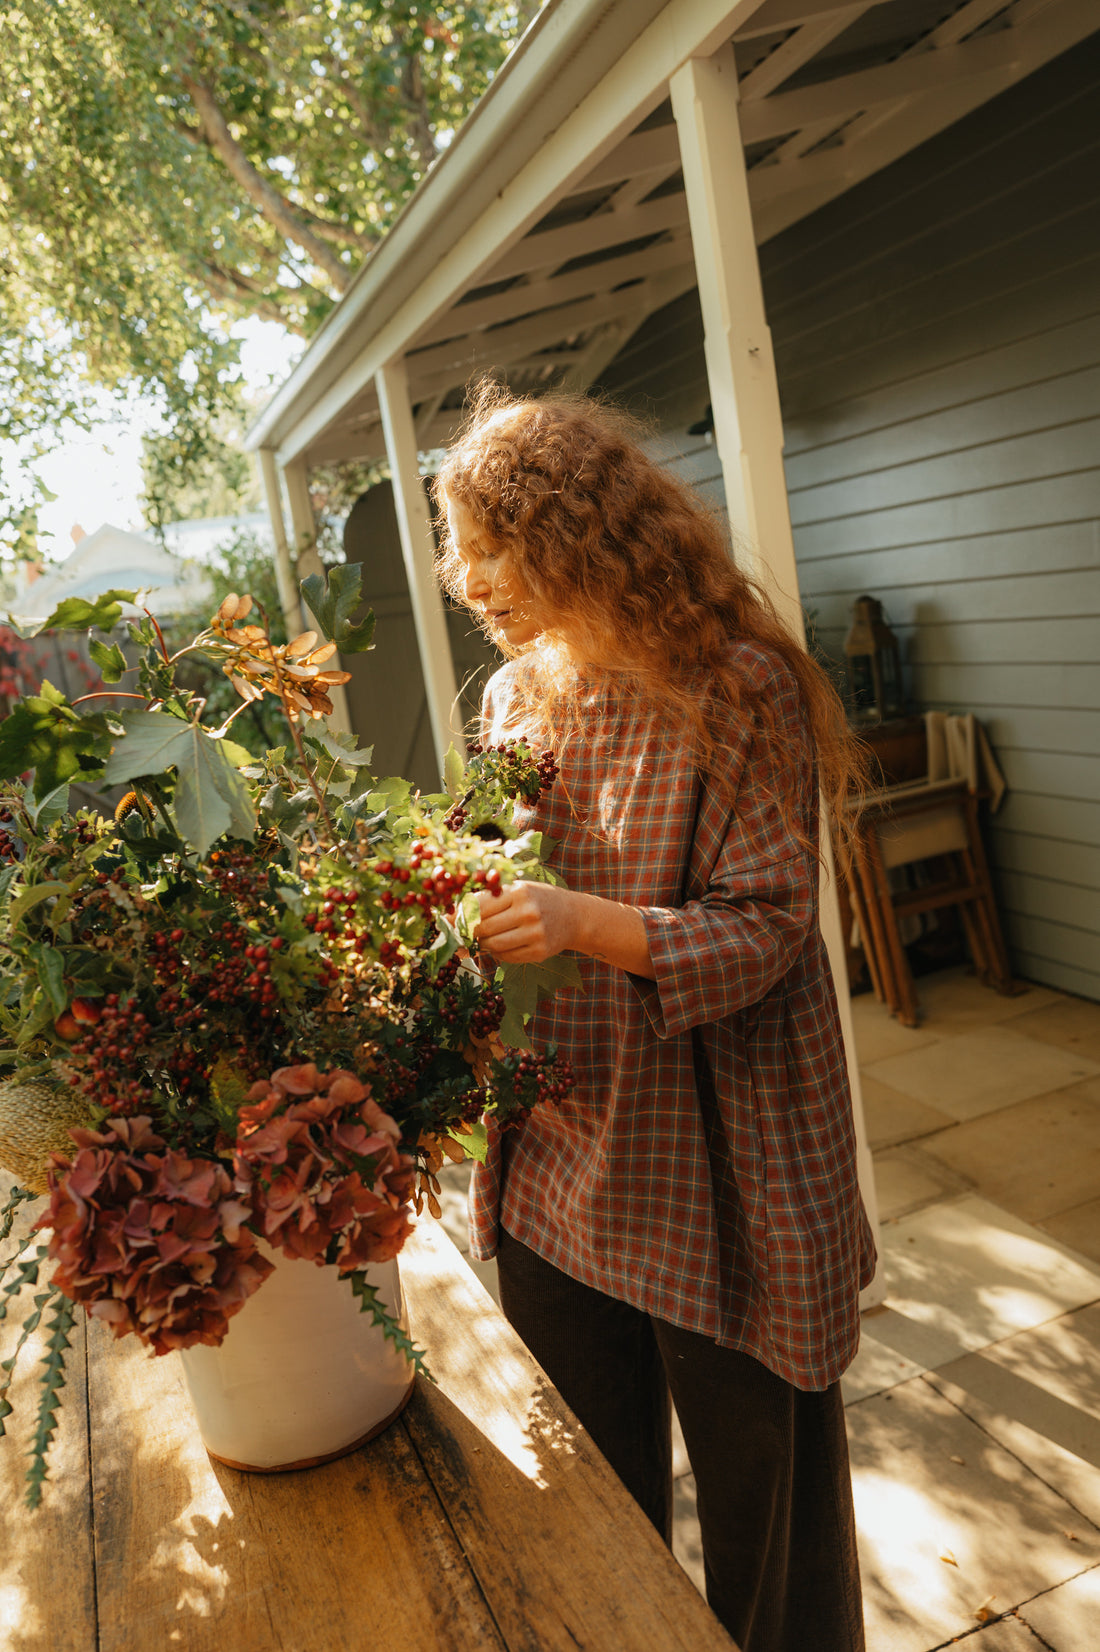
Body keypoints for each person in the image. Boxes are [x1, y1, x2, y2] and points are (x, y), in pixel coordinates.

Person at [432, 386, 876, 1652]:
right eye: (457, 549)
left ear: (570, 532)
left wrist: (573, 919)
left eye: (483, 542)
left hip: (723, 1166)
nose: (466, 581)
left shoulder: (735, 686)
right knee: (592, 1515)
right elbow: (489, 877)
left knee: (767, 1533)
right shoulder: (519, 701)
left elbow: (766, 923)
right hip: (566, 1154)